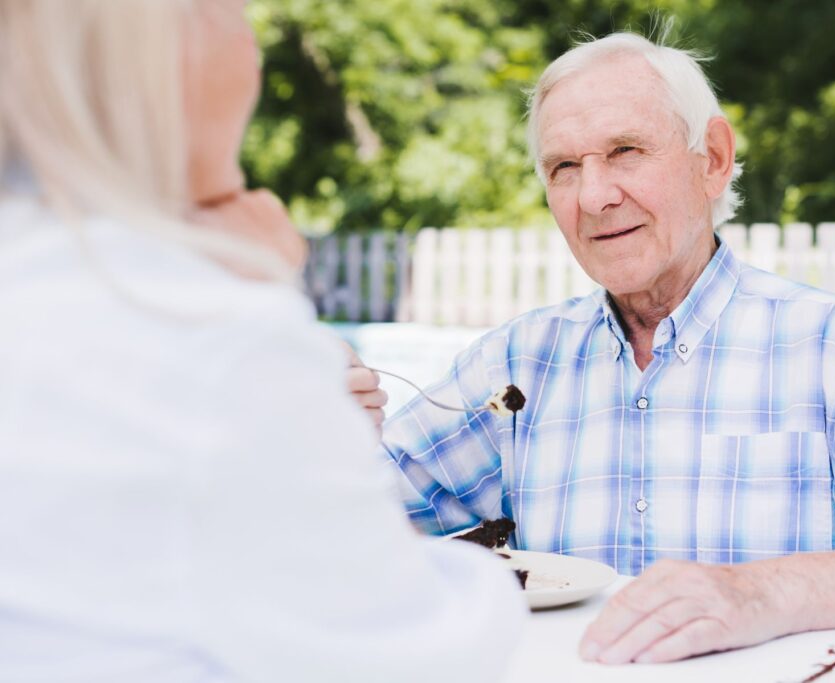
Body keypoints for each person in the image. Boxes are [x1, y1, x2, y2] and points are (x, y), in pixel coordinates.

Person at [351, 32, 835, 679]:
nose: (593, 195)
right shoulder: (518, 363)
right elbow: (353, 519)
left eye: (625, 151)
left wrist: (755, 594)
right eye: (563, 168)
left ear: (712, 158)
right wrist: (322, 431)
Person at [0, 2, 524, 682]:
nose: (250, 43)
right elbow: (422, 644)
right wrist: (269, 305)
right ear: (166, 48)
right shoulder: (205, 337)